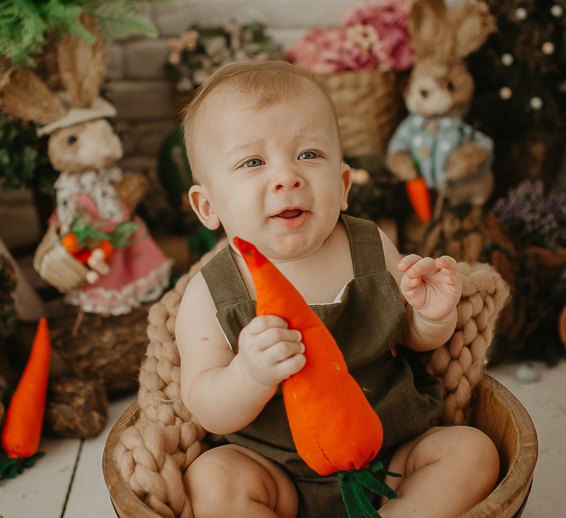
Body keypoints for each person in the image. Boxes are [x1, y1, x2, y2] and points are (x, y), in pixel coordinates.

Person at [175, 61, 499, 518]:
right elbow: (206, 405)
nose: (287, 177)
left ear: (343, 185)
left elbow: (410, 339)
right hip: (274, 471)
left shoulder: (369, 245)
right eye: (253, 162)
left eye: (309, 154)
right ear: (207, 206)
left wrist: (431, 317)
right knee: (210, 481)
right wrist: (248, 374)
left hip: (390, 454)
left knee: (472, 450)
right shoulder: (209, 293)